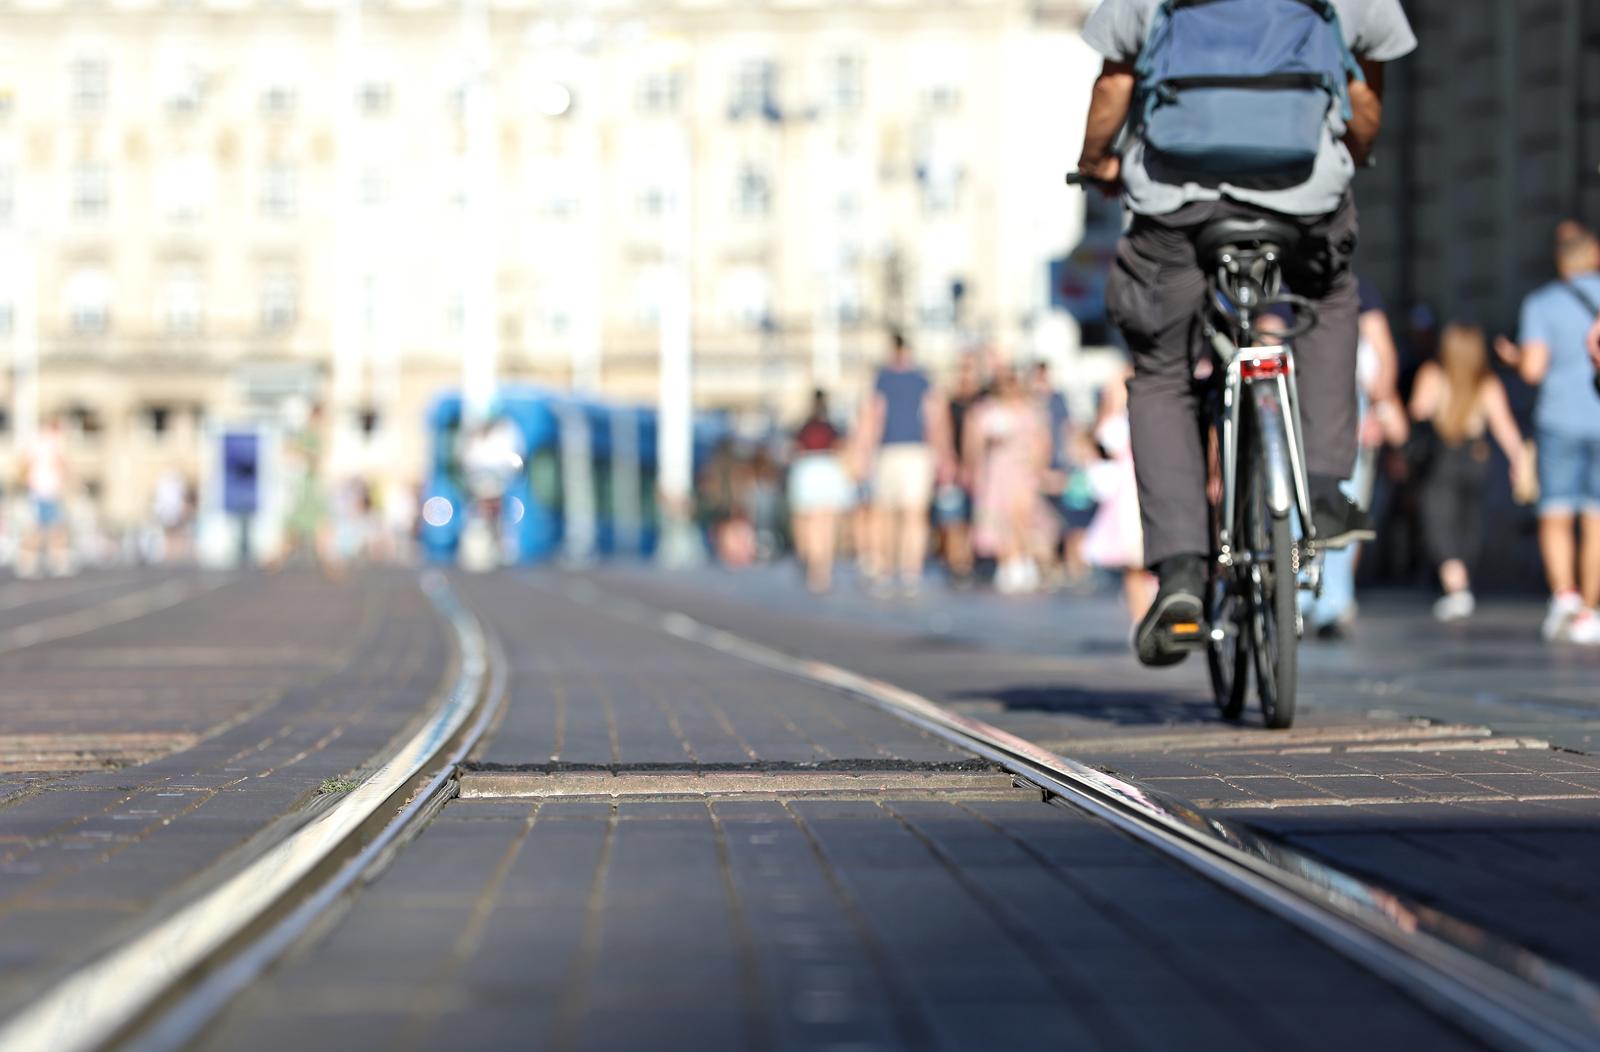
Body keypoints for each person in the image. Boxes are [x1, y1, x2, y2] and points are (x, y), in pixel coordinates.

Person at [1075, 0, 1416, 665]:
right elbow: (1364, 90)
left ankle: (1178, 573)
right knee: (1328, 300)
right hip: (1303, 196)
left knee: (1163, 370)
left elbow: (1115, 83)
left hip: (1177, 201)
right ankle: (1321, 486)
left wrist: (1096, 161)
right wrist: (1354, 151)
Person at [1495, 222, 1600, 643]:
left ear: (1560, 263)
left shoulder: (1543, 303)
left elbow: (1534, 369)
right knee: (1597, 517)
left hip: (1559, 419)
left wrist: (1515, 357)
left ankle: (1565, 596)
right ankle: (1590, 613)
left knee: (1556, 512)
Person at [1307, 278, 1409, 638]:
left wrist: (1376, 405)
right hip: (1342, 405)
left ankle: (1309, 595)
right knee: (1340, 506)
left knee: (1298, 510)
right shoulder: (1354, 288)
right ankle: (1325, 598)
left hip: (1316, 402)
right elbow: (1385, 355)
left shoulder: (1279, 284)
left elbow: (1383, 357)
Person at [1409, 324, 1528, 622]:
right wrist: (1519, 460)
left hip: (1443, 455)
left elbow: (1418, 411)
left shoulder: (1433, 374)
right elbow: (1504, 426)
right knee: (1468, 520)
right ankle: (1460, 580)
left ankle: (1456, 586)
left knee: (1439, 518)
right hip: (1476, 456)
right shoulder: (1486, 381)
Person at [859, 331, 951, 597]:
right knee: (912, 514)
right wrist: (943, 454)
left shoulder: (884, 379)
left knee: (888, 513)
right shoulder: (922, 379)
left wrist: (865, 453)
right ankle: (909, 571)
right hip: (916, 452)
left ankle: (888, 568)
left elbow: (873, 416)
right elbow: (936, 419)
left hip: (892, 450)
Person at [966, 365, 1053, 595]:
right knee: (1001, 517)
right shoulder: (986, 410)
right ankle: (1008, 563)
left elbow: (1042, 440)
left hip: (1022, 469)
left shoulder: (1029, 410)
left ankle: (1025, 561)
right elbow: (973, 442)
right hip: (997, 470)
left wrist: (1038, 465)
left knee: (1023, 516)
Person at [1082, 366, 1156, 623]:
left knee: (1146, 563)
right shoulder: (1115, 420)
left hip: (1144, 489)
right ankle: (1141, 618)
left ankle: (1149, 615)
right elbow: (1104, 443)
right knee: (1135, 563)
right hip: (1128, 496)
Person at [788, 390, 852, 593]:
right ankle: (823, 569)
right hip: (828, 471)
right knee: (826, 525)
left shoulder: (804, 426)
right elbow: (840, 448)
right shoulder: (832, 426)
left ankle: (814, 567)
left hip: (808, 472)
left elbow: (795, 449)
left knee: (812, 524)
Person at [936, 354, 983, 587]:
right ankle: (957, 563)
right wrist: (949, 461)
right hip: (956, 468)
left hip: (981, 470)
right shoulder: (951, 402)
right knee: (953, 518)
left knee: (976, 519)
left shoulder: (983, 401)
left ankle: (971, 560)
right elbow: (942, 432)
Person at [20, 415, 72, 578]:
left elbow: (25, 464)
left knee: (42, 527)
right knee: (48, 528)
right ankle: (50, 562)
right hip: (45, 490)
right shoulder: (51, 441)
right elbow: (61, 463)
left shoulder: (37, 441)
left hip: (41, 490)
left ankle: (31, 563)